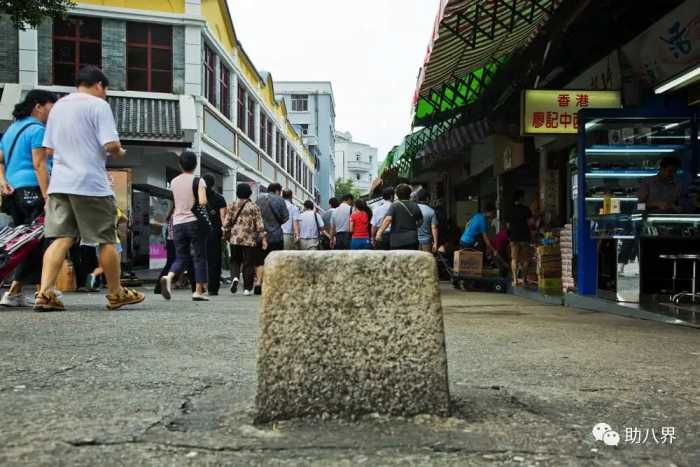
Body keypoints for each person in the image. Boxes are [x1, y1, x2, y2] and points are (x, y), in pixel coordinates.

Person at [33, 66, 144, 311]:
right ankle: (116, 294)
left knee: (61, 238)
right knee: (105, 238)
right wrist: (119, 151)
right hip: (90, 184)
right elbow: (111, 144)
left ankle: (44, 293)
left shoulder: (59, 106)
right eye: (105, 90)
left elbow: (49, 150)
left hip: (60, 183)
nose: (105, 95)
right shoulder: (98, 105)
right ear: (99, 85)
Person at [0, 90, 57, 307]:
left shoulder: (12, 129)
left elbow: (0, 160)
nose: (53, 112)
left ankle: (17, 290)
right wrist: (47, 195)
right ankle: (41, 290)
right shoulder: (37, 130)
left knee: (21, 241)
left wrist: (2, 179)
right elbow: (39, 164)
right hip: (33, 189)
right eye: (51, 106)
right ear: (38, 106)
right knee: (39, 240)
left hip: (13, 193)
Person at [159, 151, 209, 301]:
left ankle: (169, 277)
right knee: (199, 256)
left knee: (181, 257)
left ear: (180, 165)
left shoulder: (174, 182)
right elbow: (202, 202)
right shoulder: (198, 181)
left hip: (178, 222)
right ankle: (198, 291)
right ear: (195, 164)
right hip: (193, 222)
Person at [224, 183, 267, 296]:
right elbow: (260, 225)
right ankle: (247, 289)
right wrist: (263, 238)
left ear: (237, 193)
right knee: (248, 263)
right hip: (249, 239)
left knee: (235, 260)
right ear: (249, 193)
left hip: (235, 238)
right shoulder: (254, 207)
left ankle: (235, 278)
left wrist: (226, 234)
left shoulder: (232, 205)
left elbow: (226, 223)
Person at [255, 183, 288, 295]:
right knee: (275, 260)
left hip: (260, 235)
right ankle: (273, 284)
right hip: (275, 235)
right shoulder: (280, 200)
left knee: (259, 260)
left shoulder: (258, 199)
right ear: (278, 191)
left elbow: (255, 216)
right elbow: (285, 218)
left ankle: (259, 283)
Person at [375, 183, 423, 250]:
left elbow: (388, 219)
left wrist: (379, 232)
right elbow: (420, 221)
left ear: (396, 194)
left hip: (397, 241)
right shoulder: (415, 205)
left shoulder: (394, 205)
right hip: (412, 239)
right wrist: (412, 225)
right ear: (409, 194)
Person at [203, 174, 227, 296]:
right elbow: (223, 217)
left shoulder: (197, 197)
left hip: (200, 231)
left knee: (199, 259)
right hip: (214, 232)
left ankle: (199, 286)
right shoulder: (220, 198)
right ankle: (213, 288)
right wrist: (224, 232)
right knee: (214, 261)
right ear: (213, 184)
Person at [507, 190, 532, 286]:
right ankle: (524, 279)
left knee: (514, 258)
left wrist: (510, 235)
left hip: (514, 236)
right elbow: (530, 223)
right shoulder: (526, 209)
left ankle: (515, 280)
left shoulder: (510, 209)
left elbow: (508, 225)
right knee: (525, 259)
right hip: (524, 236)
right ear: (521, 198)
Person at [153, 206, 175, 295]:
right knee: (171, 264)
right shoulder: (177, 213)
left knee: (171, 264)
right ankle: (159, 286)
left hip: (171, 241)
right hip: (175, 241)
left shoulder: (173, 213)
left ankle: (160, 286)